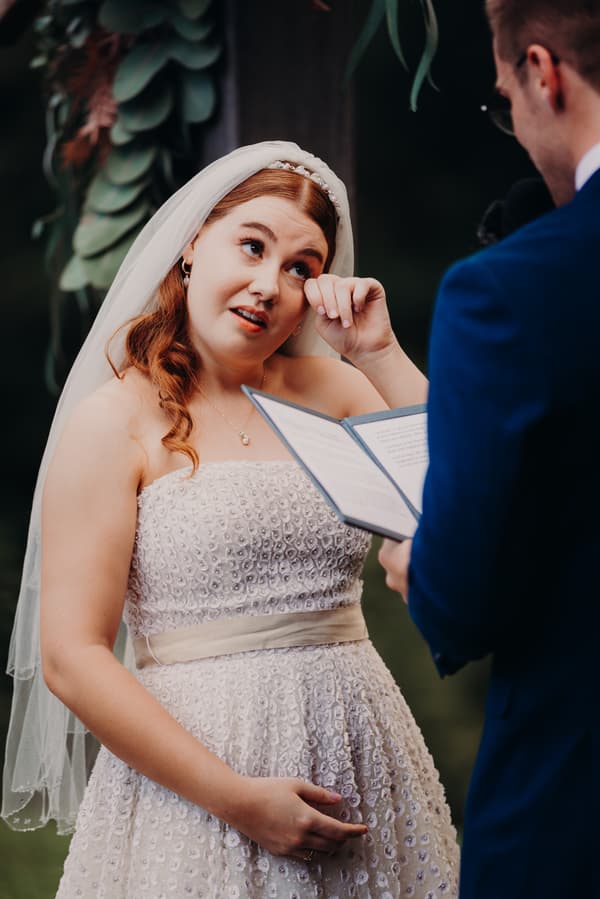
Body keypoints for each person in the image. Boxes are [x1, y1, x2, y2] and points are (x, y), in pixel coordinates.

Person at [1, 141, 459, 898]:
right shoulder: (113, 420)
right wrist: (237, 799)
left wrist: (379, 352)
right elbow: (73, 657)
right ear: (191, 246)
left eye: (300, 268)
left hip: (363, 756)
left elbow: (462, 492)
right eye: (251, 245)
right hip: (198, 787)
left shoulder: (338, 389)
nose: (268, 285)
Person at [378, 2, 600, 896]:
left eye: (505, 97)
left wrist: (419, 568)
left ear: (543, 73)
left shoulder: (511, 290)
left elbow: (461, 593)